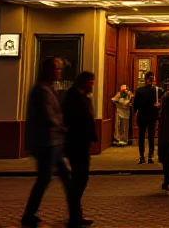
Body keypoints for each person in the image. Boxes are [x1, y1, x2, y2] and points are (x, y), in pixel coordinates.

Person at [22, 56, 73, 228]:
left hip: (53, 141)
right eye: (56, 68)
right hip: (47, 142)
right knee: (45, 179)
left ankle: (75, 213)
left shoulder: (49, 88)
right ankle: (29, 215)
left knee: (63, 177)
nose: (59, 72)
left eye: (60, 68)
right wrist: (63, 127)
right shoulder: (41, 90)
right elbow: (48, 115)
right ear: (48, 70)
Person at [62, 71, 98, 228]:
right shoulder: (73, 98)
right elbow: (76, 120)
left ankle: (76, 214)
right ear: (84, 82)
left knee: (79, 178)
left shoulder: (81, 97)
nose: (93, 85)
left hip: (81, 142)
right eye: (91, 82)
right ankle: (74, 215)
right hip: (76, 143)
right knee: (80, 179)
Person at [133, 72, 159, 164]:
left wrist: (134, 113)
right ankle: (150, 156)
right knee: (151, 136)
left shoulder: (139, 90)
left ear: (145, 79)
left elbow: (135, 104)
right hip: (152, 116)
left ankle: (141, 156)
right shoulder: (156, 90)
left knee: (141, 136)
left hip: (142, 115)